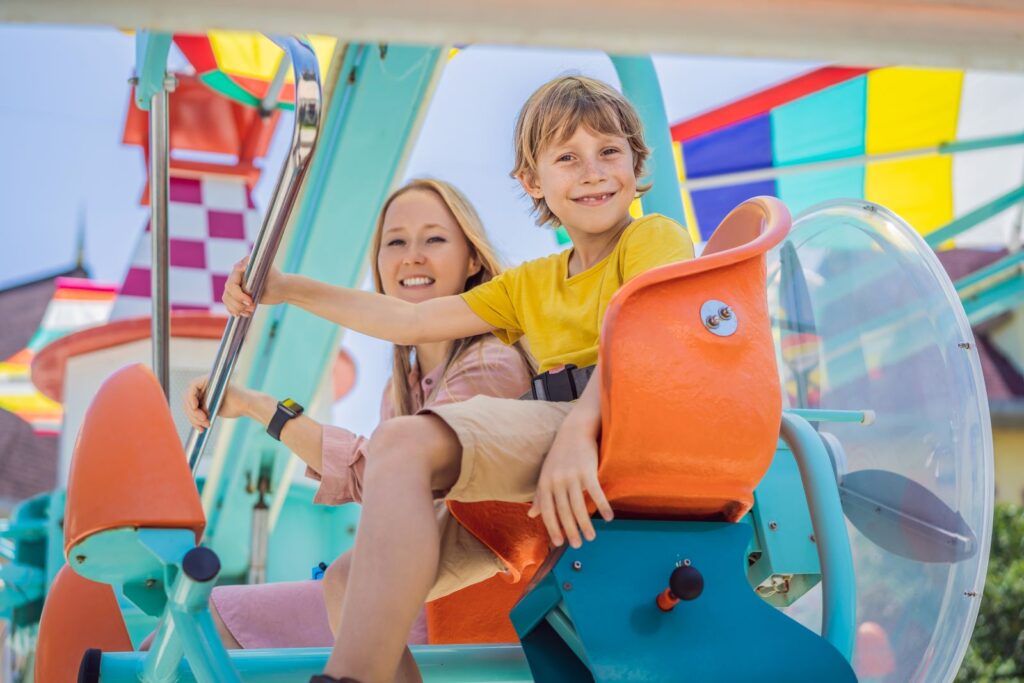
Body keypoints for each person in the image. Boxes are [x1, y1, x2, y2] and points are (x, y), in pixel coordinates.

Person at [223, 75, 695, 683]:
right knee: (343, 581)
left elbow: (646, 336)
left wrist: (582, 429)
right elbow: (410, 319)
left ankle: (349, 678)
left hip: (615, 423)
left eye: (609, 152)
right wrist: (286, 289)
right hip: (541, 471)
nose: (594, 172)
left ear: (636, 160)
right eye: (567, 158)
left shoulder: (651, 238)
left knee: (403, 440)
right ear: (533, 182)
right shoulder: (532, 284)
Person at [182, 178, 533, 651]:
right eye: (396, 242)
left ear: (473, 259)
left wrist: (261, 407)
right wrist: (248, 403)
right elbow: (394, 506)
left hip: (467, 602)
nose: (412, 256)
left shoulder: (493, 365)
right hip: (419, 591)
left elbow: (385, 479)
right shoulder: (401, 390)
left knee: (210, 627)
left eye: (434, 238)